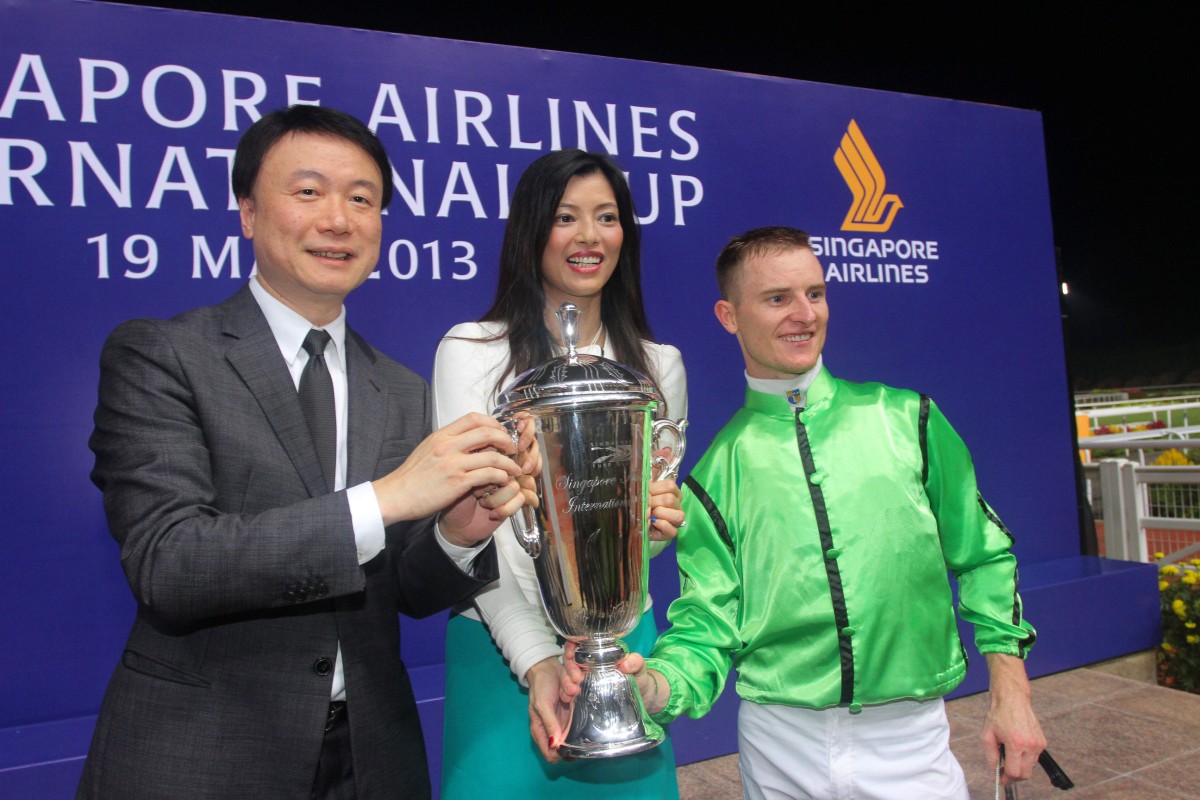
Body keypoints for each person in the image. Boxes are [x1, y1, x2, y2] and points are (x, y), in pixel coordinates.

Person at [78, 106, 529, 800]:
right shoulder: (163, 354)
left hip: (372, 757)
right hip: (204, 754)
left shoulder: (398, 387)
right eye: (309, 191)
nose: (339, 220)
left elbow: (405, 593)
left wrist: (458, 534)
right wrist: (386, 499)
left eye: (362, 199)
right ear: (249, 213)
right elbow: (169, 564)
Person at [578, 226, 1047, 799]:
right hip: (779, 749)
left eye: (815, 294)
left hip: (911, 742)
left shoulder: (909, 419)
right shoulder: (714, 474)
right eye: (778, 298)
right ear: (729, 316)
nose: (804, 314)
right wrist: (651, 686)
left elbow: (984, 556)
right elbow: (708, 626)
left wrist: (1012, 691)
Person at [433, 149, 686, 798]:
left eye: (607, 217)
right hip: (501, 646)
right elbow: (475, 535)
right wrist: (538, 660)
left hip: (623, 650)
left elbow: (632, 545)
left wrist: (654, 529)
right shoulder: (472, 353)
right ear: (531, 229)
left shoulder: (658, 366)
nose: (589, 236)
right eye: (566, 217)